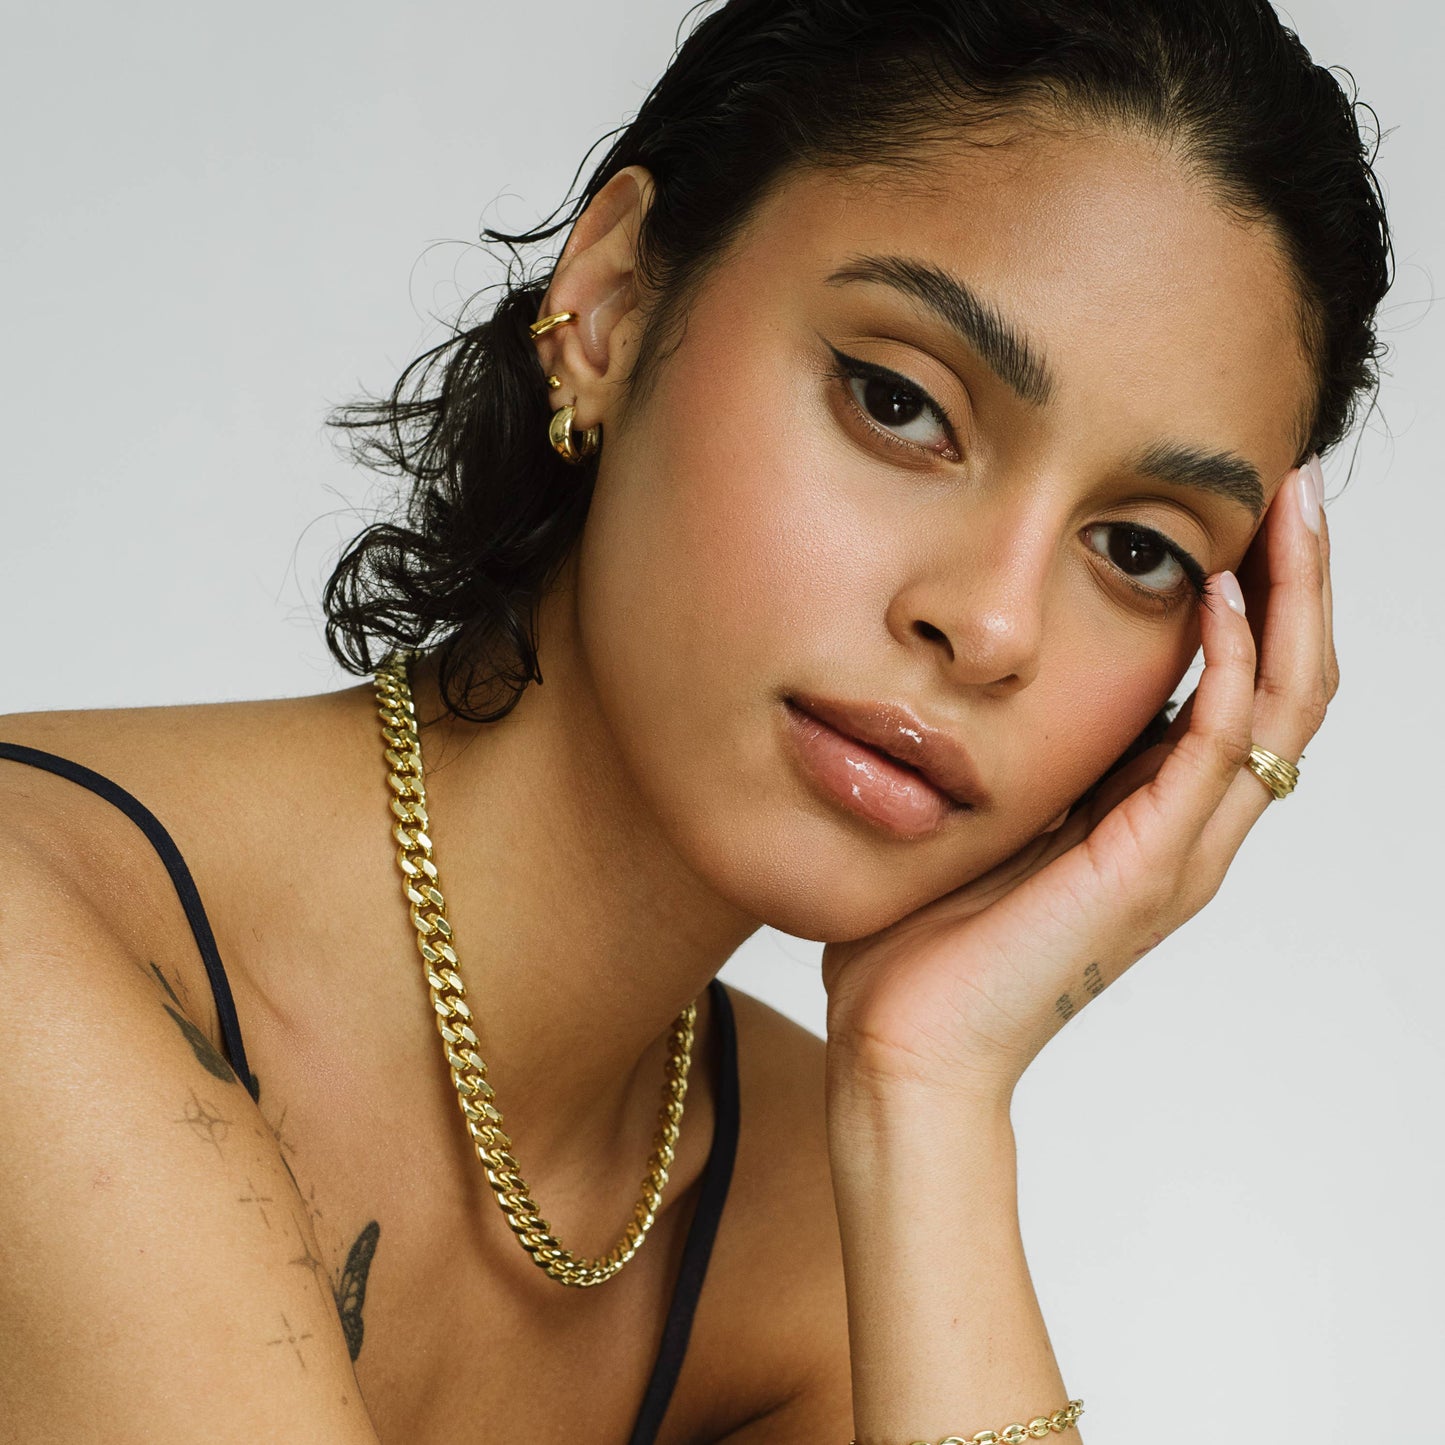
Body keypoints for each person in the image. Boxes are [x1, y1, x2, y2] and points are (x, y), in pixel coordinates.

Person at [0, 0, 1391, 1440]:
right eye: (898, 401)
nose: (990, 625)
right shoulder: (35, 954)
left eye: (1140, 548)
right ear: (606, 306)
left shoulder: (801, 1213)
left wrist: (931, 1096)